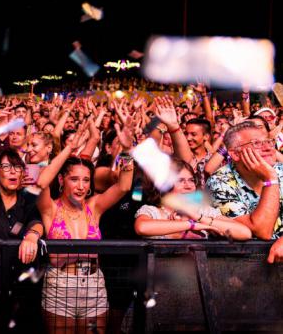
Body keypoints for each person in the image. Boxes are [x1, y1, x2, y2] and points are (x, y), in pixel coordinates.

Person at [36, 133, 134, 334]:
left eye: (86, 180)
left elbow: (124, 185)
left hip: (94, 285)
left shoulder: (94, 206)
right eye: (74, 179)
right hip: (60, 286)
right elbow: (41, 182)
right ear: (62, 180)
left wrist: (126, 151)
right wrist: (68, 149)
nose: (81, 186)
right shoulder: (50, 209)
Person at [135, 159, 251, 239]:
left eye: (191, 180)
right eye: (181, 181)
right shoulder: (152, 212)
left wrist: (196, 217)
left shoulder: (203, 212)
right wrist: (191, 225)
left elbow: (244, 233)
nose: (189, 186)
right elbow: (142, 227)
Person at [206, 121, 283, 240]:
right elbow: (262, 232)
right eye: (256, 143)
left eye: (269, 141)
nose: (268, 148)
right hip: (251, 257)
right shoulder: (219, 183)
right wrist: (270, 180)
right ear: (236, 154)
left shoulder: (281, 170)